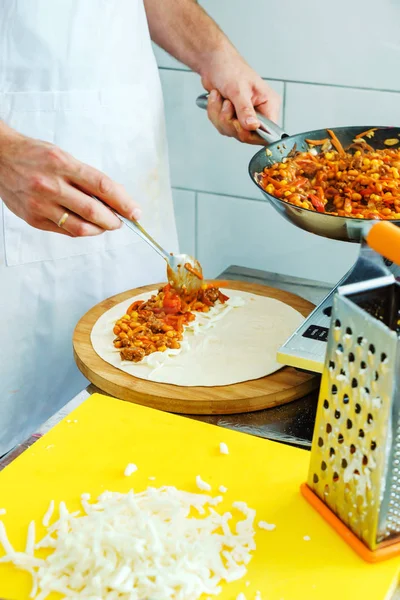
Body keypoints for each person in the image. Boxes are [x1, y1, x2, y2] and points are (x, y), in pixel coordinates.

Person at [0, 0, 281, 456]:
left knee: (135, 424)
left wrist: (216, 57)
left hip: (124, 133)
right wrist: (4, 152)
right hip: (15, 154)